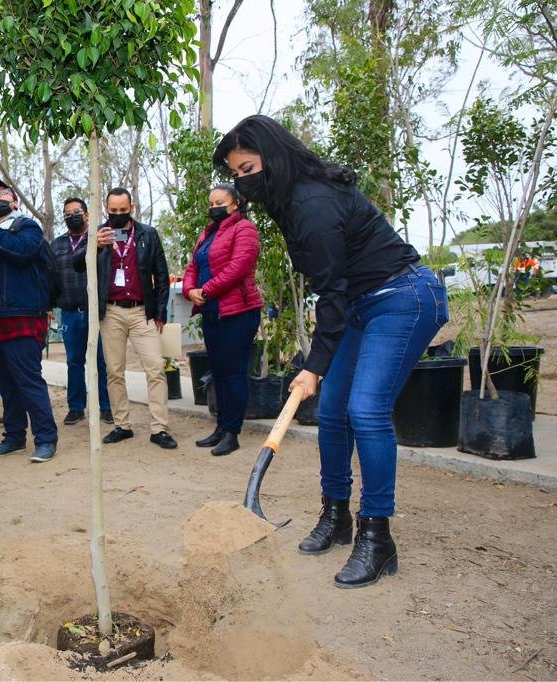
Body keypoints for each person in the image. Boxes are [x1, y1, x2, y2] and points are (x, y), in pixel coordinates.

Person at [215, 114, 449, 588]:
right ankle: (336, 513)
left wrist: (313, 365)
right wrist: (317, 369)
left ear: (273, 158)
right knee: (333, 412)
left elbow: (332, 292)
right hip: (362, 304)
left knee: (366, 410)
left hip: (402, 297)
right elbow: (338, 291)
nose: (243, 181)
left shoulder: (312, 202)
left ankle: (376, 535)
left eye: (247, 169)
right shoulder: (288, 199)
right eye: (237, 174)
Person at [75, 188, 177, 450]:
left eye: (123, 210)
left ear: (131, 207)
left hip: (142, 311)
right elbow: (77, 264)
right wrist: (95, 246)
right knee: (114, 371)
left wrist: (161, 311)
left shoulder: (147, 234)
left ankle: (159, 428)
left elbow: (162, 275)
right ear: (106, 208)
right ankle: (122, 425)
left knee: (155, 368)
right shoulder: (98, 233)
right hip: (111, 312)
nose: (118, 215)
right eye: (113, 211)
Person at [0, 180, 59, 463]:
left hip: (21, 315)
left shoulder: (26, 227)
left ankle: (46, 439)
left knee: (28, 381)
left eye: (2, 194)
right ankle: (14, 437)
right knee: (6, 383)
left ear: (15, 202)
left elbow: (22, 251)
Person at [182, 184, 263, 456]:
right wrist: (189, 290)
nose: (214, 206)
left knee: (234, 373)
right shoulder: (207, 232)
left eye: (221, 202)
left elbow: (238, 268)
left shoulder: (245, 230)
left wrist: (205, 290)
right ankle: (220, 427)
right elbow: (193, 266)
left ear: (236, 204)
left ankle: (232, 433)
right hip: (211, 311)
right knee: (218, 372)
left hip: (238, 312)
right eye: (211, 202)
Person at [52, 197, 113, 426]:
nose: (72, 216)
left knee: (101, 361)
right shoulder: (57, 245)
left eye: (77, 211)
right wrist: (50, 304)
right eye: (68, 214)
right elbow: (50, 276)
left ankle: (106, 407)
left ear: (87, 215)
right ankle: (76, 408)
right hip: (69, 312)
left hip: (96, 312)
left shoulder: (101, 238)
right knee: (74, 361)